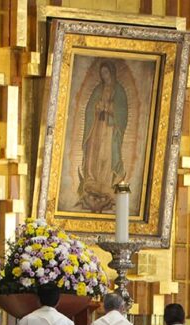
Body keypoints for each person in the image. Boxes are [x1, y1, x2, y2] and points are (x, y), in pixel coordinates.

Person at [77, 61, 128, 213]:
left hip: (110, 129)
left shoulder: (119, 90)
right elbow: (89, 109)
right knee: (94, 152)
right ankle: (92, 181)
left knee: (107, 154)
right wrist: (96, 107)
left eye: (106, 73)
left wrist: (111, 109)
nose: (104, 76)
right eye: (102, 73)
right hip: (97, 127)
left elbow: (122, 112)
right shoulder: (98, 89)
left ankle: (105, 184)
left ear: (112, 73)